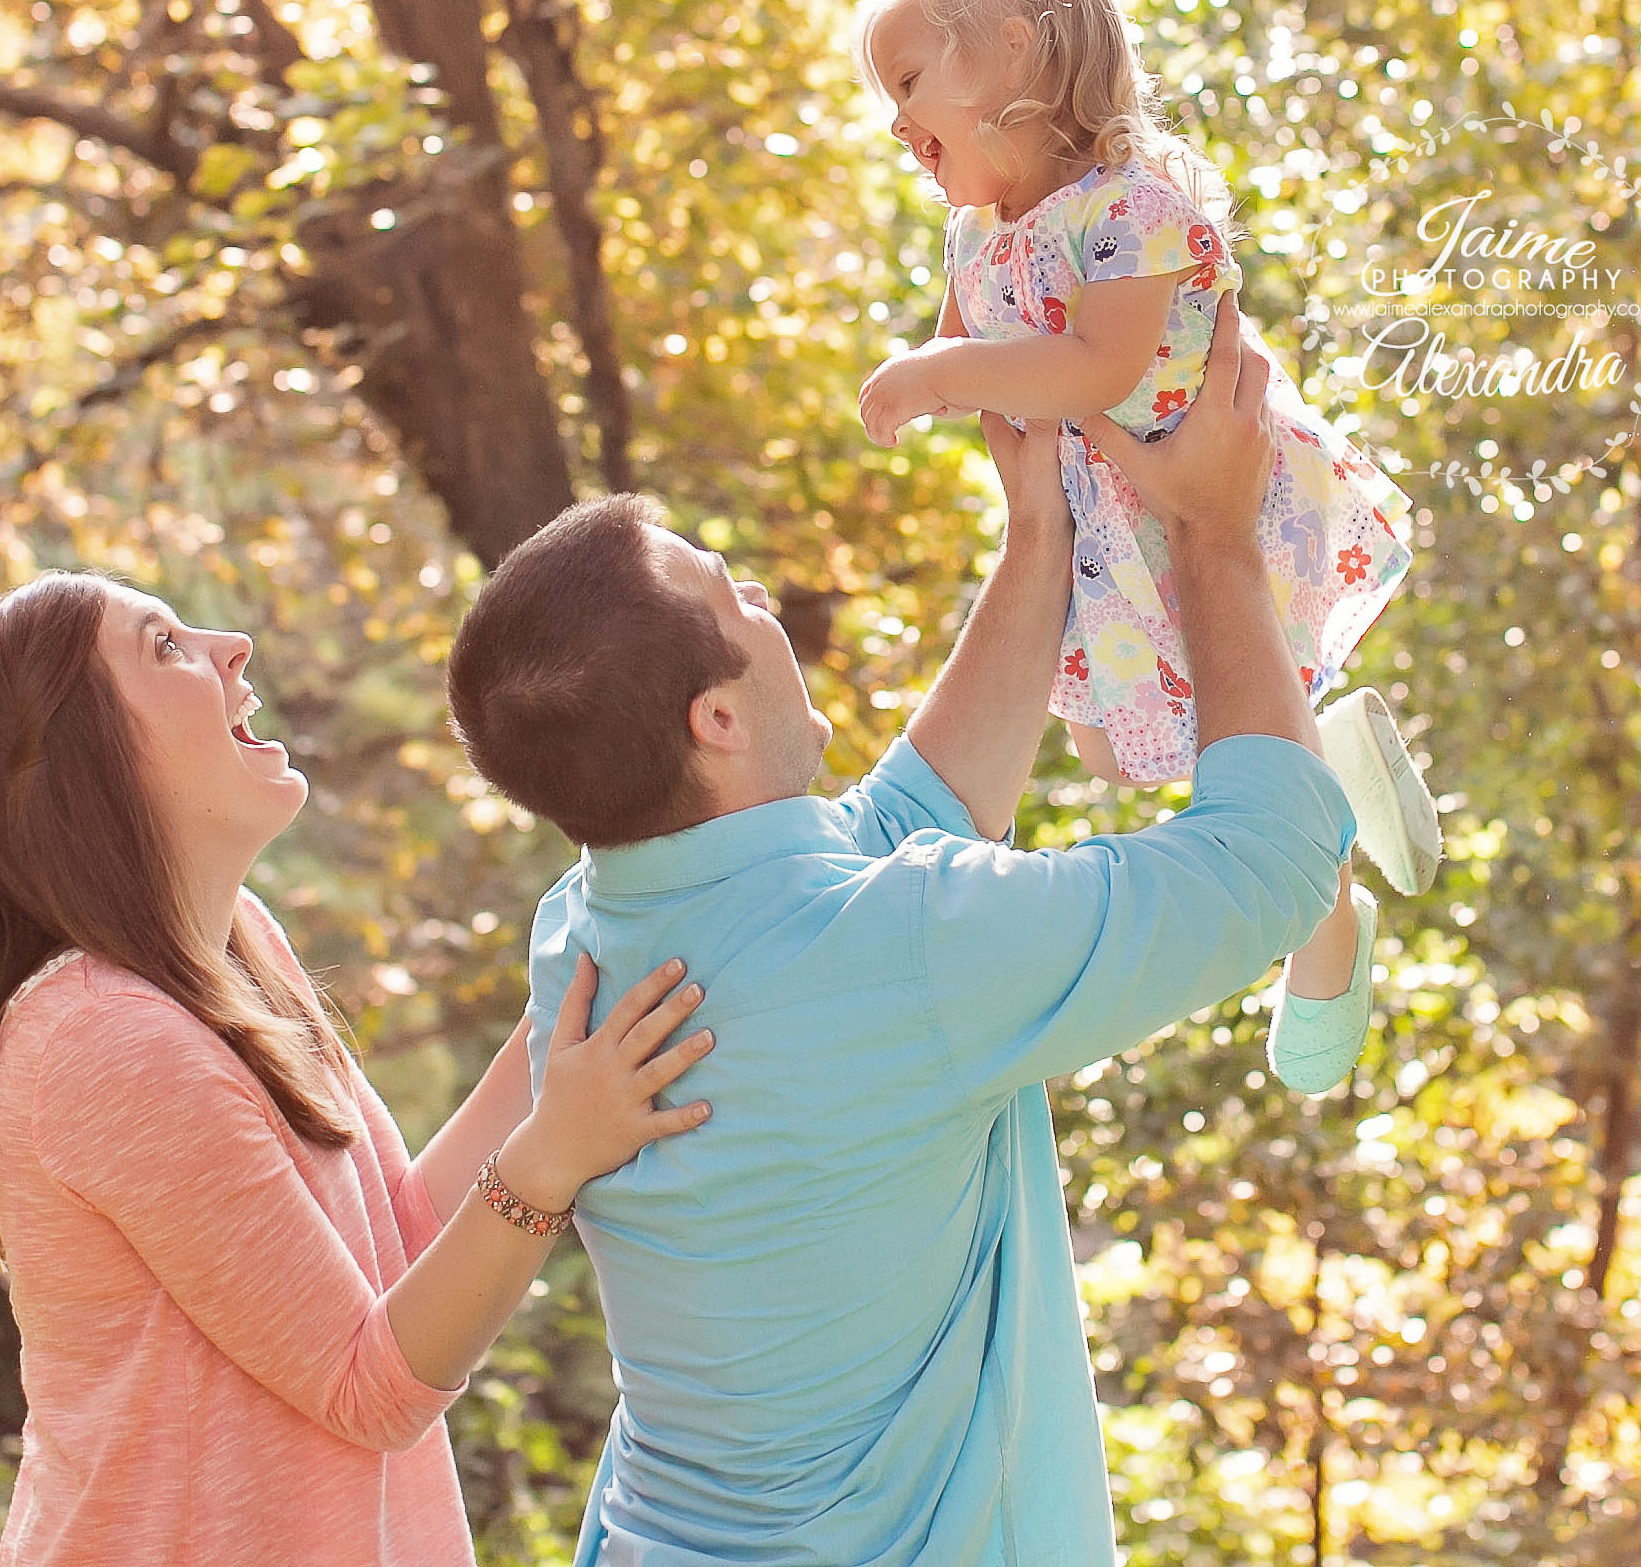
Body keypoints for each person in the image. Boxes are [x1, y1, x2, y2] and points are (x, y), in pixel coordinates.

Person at [445, 295, 1368, 1565]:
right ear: (717, 720)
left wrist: (1036, 535)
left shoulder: (588, 931)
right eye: (732, 592)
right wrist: (1215, 531)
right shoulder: (892, 944)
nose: (764, 596)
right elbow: (1268, 855)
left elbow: (896, 828)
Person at [0, 571, 717, 1566]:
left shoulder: (238, 948)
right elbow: (365, 1382)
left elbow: (398, 1248)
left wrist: (566, 1011)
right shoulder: (101, 1038)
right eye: (163, 645)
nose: (232, 641)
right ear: (84, 758)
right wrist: (548, 1157)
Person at [849, 0, 1441, 929]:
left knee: (1230, 701)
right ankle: (1330, 769)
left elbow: (1092, 364)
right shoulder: (975, 234)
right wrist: (948, 374)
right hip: (1105, 524)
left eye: (908, 85)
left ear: (1011, 56)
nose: (897, 124)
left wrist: (939, 376)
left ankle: (1322, 888)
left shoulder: (1131, 208)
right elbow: (981, 344)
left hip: (1201, 486)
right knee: (1108, 746)